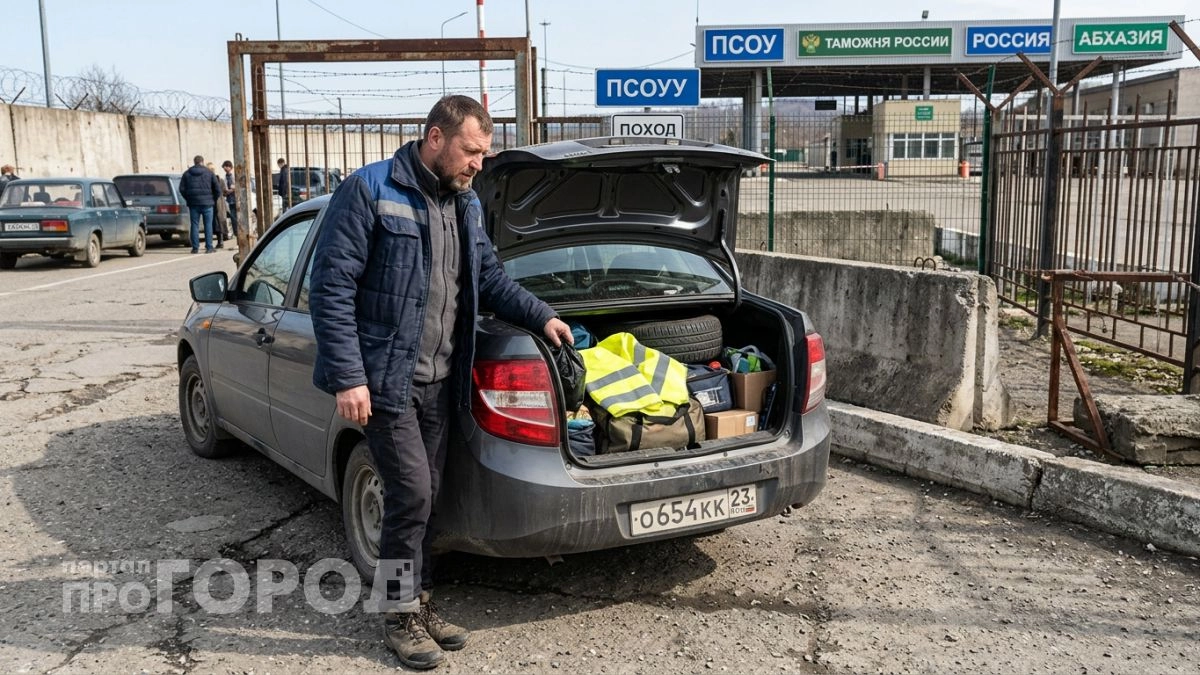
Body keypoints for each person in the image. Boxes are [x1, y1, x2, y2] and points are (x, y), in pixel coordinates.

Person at [309, 95, 572, 670]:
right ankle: (398, 613)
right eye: (472, 150)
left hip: (441, 380)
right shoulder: (371, 190)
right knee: (411, 494)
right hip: (385, 381)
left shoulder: (466, 203)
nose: (479, 163)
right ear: (436, 138)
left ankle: (420, 600)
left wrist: (542, 315)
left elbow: (491, 278)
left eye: (484, 153)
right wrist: (349, 377)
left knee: (431, 494)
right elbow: (331, 288)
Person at [178, 155, 223, 254]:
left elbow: (181, 189)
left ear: (194, 162)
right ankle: (209, 247)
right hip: (208, 204)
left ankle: (195, 248)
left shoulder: (187, 173)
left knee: (194, 225)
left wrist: (188, 198)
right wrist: (212, 199)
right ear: (202, 162)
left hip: (193, 203)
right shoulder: (209, 173)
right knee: (208, 225)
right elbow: (218, 190)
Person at [206, 162, 229, 249]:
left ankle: (217, 242)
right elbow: (224, 191)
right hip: (220, 203)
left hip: (213, 203)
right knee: (220, 221)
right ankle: (221, 240)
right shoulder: (220, 180)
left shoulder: (208, 180)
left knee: (214, 222)